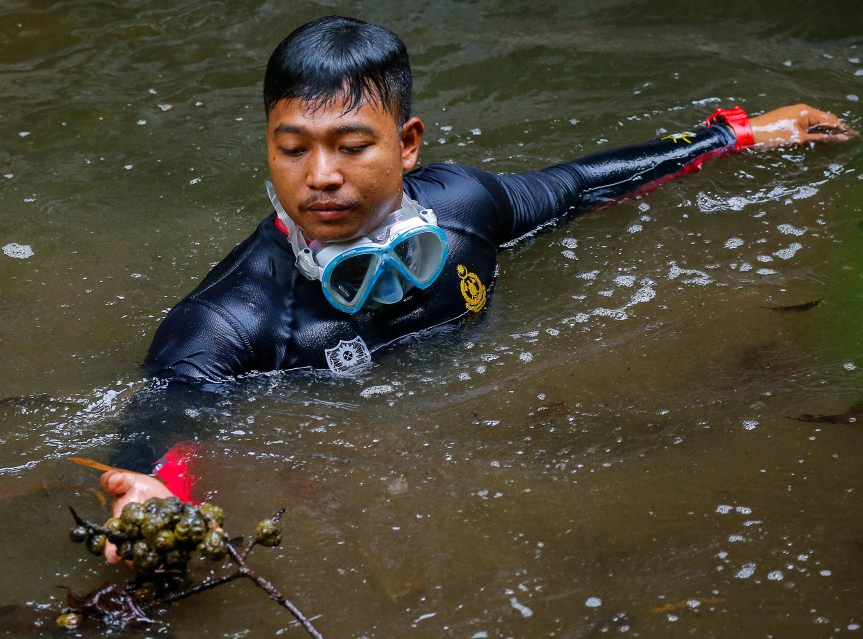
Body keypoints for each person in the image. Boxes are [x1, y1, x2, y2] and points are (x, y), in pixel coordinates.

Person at [99, 15, 855, 559]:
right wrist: (147, 490)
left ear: (409, 141)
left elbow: (581, 186)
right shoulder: (229, 317)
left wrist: (739, 133)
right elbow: (168, 409)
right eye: (291, 148)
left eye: (351, 145)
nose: (319, 175)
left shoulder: (465, 206)